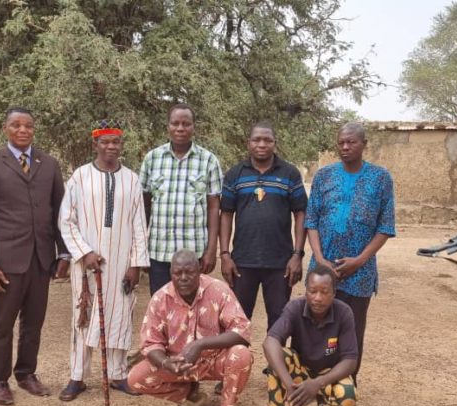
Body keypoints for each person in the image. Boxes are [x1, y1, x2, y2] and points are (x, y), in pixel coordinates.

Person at [0, 107, 69, 405]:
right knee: (2, 323)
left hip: (41, 259)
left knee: (34, 322)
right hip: (6, 261)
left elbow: (60, 212)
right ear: (6, 129)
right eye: (16, 125)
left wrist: (63, 253)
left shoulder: (49, 164)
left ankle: (26, 373)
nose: (23, 130)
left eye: (28, 125)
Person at [57, 120, 149, 401]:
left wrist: (135, 265)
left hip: (121, 264)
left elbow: (138, 225)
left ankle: (119, 374)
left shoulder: (132, 179)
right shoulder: (79, 177)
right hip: (87, 266)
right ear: (95, 144)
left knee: (121, 315)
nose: (111, 147)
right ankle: (77, 376)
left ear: (121, 145)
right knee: (82, 317)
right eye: (105, 142)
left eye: (116, 142)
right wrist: (84, 253)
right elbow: (66, 220)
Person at [128, 250, 253, 406]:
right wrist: (166, 363)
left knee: (241, 354)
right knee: (135, 377)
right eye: (178, 273)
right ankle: (188, 396)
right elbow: (150, 344)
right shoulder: (160, 299)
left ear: (199, 270)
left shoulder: (218, 290)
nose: (183, 278)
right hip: (178, 365)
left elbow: (241, 331)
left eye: (190, 272)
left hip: (214, 361)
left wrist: (200, 345)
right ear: (171, 273)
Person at [305, 121, 395, 383]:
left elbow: (385, 226)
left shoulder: (380, 178)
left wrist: (359, 260)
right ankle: (316, 381)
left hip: (360, 272)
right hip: (322, 271)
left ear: (364, 144)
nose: (345, 147)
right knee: (317, 326)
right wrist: (320, 260)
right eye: (341, 142)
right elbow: (311, 221)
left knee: (352, 329)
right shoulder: (324, 176)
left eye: (351, 142)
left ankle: (345, 383)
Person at [219, 121, 307, 330]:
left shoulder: (289, 173)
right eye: (256, 139)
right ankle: (237, 362)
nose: (262, 144)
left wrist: (297, 255)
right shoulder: (235, 174)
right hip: (242, 262)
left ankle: (275, 364)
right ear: (248, 143)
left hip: (280, 263)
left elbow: (301, 213)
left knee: (279, 323)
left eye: (267, 140)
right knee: (238, 322)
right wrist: (224, 255)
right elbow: (226, 215)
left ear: (274, 143)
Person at [256, 265, 358, 406]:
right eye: (312, 291)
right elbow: (270, 342)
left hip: (327, 373)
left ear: (334, 293)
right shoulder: (295, 307)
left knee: (348, 398)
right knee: (278, 358)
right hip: (300, 371)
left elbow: (350, 360)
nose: (317, 298)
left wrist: (317, 384)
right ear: (306, 292)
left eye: (324, 292)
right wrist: (291, 389)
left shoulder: (344, 312)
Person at [139, 104, 222, 293]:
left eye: (186, 124)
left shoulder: (208, 160)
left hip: (195, 253)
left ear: (194, 127)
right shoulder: (152, 159)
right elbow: (143, 208)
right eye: (175, 123)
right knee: (161, 308)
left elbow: (213, 207)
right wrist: (141, 250)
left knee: (193, 310)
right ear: (168, 126)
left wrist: (211, 250)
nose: (180, 128)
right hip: (159, 252)